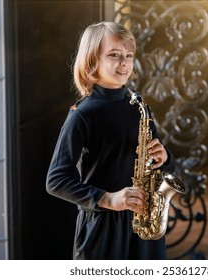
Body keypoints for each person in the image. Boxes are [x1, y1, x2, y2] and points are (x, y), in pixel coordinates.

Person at [46, 21, 175, 260]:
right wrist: (109, 199)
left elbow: (162, 169)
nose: (124, 62)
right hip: (102, 224)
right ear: (92, 61)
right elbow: (56, 180)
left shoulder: (138, 107)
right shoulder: (82, 115)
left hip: (143, 220)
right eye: (114, 55)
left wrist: (164, 158)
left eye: (129, 55)